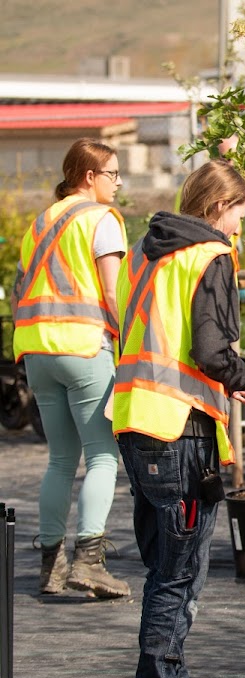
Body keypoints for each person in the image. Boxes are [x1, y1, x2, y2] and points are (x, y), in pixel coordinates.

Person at [113, 159, 245, 678]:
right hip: (176, 431)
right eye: (238, 213)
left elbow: (138, 330)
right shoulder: (209, 256)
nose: (240, 226)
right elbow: (210, 350)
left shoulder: (144, 252)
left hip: (137, 423)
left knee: (170, 569)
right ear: (217, 207)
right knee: (176, 577)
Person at [11, 137, 130, 599]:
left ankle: (51, 567)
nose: (118, 184)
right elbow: (113, 292)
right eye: (113, 174)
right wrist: (129, 342)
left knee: (61, 459)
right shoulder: (101, 220)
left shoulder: (40, 223)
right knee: (102, 455)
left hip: (37, 350)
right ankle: (90, 561)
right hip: (83, 345)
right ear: (89, 177)